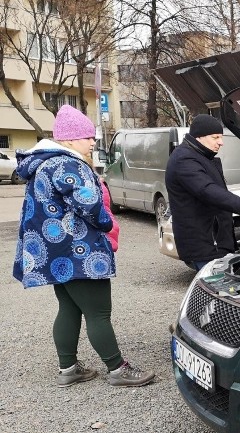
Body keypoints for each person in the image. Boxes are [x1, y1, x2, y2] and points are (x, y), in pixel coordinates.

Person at [13, 105, 155, 388]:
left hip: (54, 253)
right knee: (98, 312)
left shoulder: (42, 163)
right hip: (80, 252)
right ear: (69, 139)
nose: (93, 141)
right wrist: (106, 224)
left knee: (68, 308)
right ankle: (117, 370)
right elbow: (89, 204)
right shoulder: (67, 163)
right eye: (87, 137)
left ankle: (69, 369)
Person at [165, 115, 240, 270]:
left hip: (213, 242)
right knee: (217, 290)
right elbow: (206, 189)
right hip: (205, 244)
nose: (221, 142)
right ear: (199, 137)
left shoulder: (201, 156)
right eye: (215, 137)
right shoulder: (184, 159)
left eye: (221, 137)